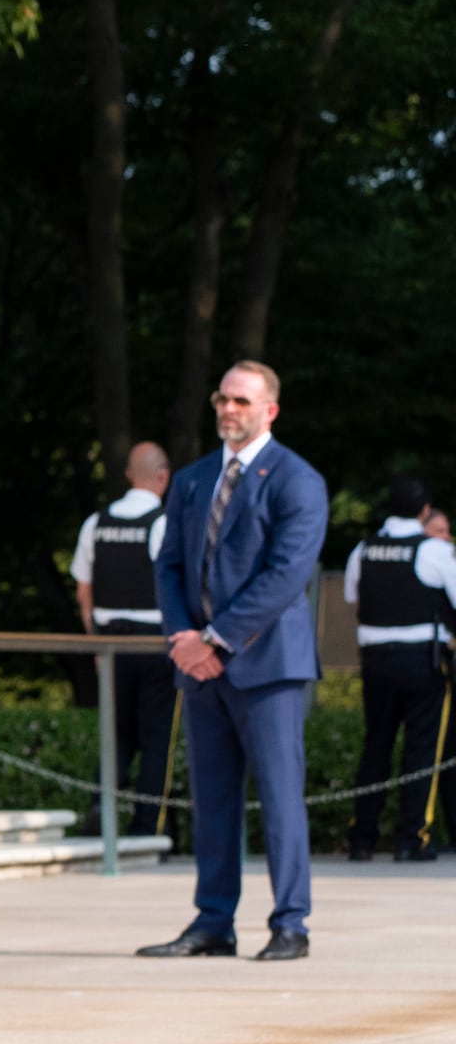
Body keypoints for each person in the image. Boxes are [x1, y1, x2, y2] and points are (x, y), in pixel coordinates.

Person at [140, 360, 326, 964]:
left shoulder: (296, 480)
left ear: (270, 409)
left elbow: (286, 577)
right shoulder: (193, 481)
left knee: (279, 798)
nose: (229, 410)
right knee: (213, 800)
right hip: (198, 669)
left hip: (267, 666)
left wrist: (214, 640)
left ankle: (291, 923)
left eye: (242, 401)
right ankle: (214, 921)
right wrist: (182, 640)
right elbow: (168, 566)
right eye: (223, 398)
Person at [342, 475, 452, 861]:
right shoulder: (433, 551)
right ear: (424, 511)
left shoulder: (363, 550)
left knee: (376, 746)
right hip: (422, 662)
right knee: (421, 750)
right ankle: (411, 838)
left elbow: (354, 600)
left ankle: (362, 837)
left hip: (375, 661)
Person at [72, 441, 178, 842]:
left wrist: (95, 641)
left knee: (113, 733)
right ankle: (146, 827)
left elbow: (85, 590)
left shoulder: (95, 523)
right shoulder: (163, 523)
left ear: (129, 475)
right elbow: (174, 586)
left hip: (108, 644)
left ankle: (104, 814)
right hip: (154, 643)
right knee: (155, 739)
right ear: (163, 476)